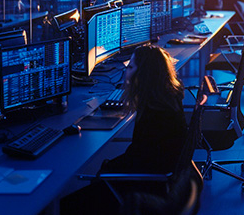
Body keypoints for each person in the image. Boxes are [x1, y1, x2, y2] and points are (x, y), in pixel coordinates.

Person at [61, 45, 187, 214]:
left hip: (142, 184)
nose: (126, 71)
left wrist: (106, 169)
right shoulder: (166, 99)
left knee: (65, 205)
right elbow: (141, 154)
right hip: (159, 178)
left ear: (143, 74)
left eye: (130, 67)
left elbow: (137, 159)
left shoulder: (155, 113)